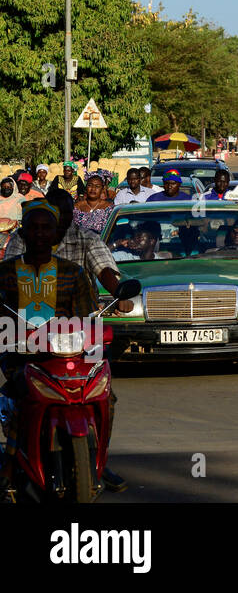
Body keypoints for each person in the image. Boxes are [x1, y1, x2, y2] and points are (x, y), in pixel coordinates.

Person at [0, 198, 126, 493]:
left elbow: (87, 315)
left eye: (47, 228)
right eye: (35, 228)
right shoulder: (5, 272)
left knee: (106, 397)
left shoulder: (73, 272)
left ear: (56, 231)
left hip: (66, 350)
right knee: (19, 395)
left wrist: (95, 333)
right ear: (24, 232)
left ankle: (98, 458)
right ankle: (9, 460)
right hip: (21, 352)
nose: (41, 234)